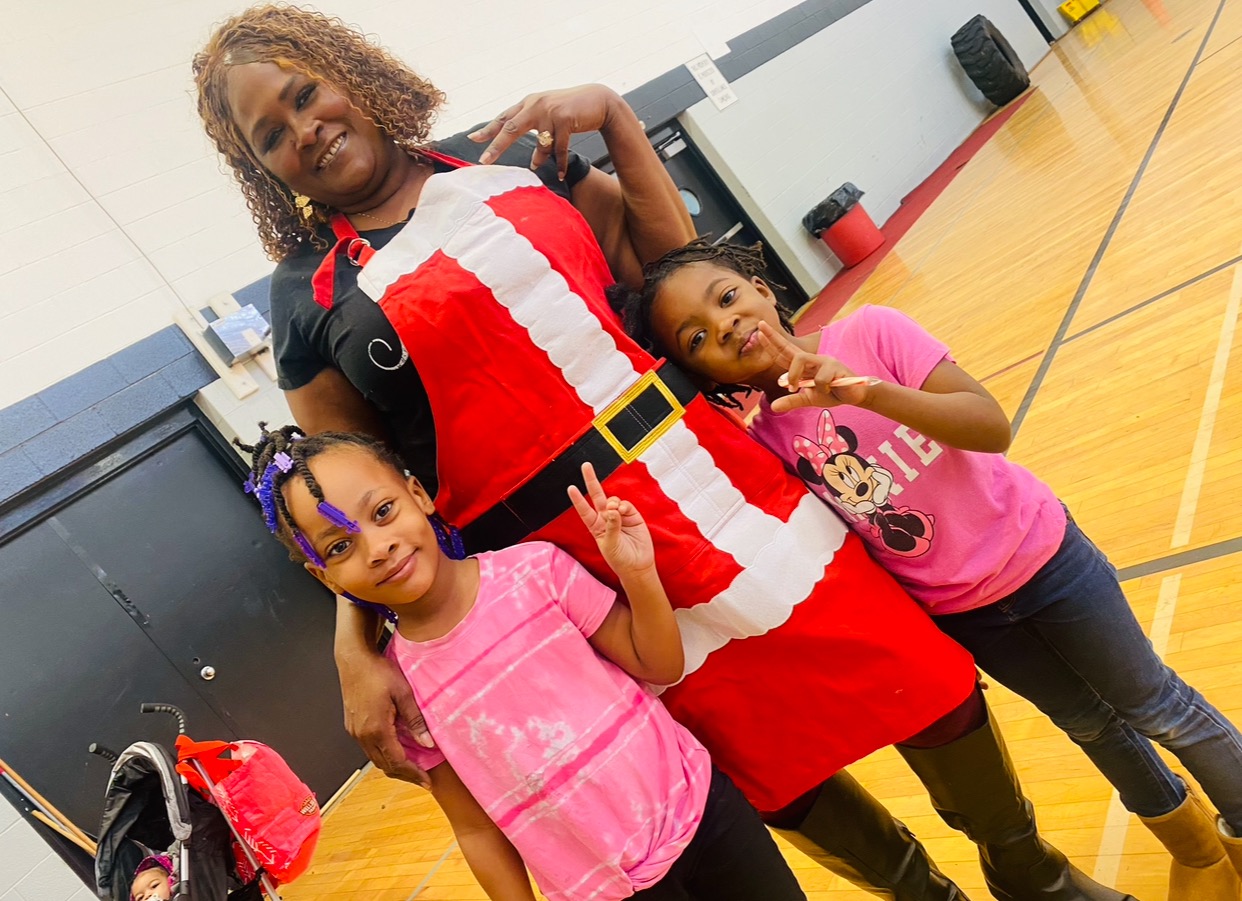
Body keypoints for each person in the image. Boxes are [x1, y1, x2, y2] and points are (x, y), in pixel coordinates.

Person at [194, 9, 1125, 899]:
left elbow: (673, 272)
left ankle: (1028, 870)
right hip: (589, 564)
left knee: (926, 678)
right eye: (271, 136)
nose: (304, 130)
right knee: (764, 763)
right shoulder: (307, 300)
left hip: (726, 480)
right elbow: (346, 490)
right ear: (263, 172)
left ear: (349, 74)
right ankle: (924, 895)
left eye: (305, 94)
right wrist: (355, 645)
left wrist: (617, 114)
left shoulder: (506, 159)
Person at [615, 237, 1242, 901]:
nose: (726, 324)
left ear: (762, 288)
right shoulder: (765, 440)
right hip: (967, 614)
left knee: (1158, 706)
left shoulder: (872, 334)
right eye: (697, 337)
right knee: (1089, 724)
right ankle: (1199, 852)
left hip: (1044, 559)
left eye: (727, 297)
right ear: (703, 373)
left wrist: (867, 394)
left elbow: (990, 426)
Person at [236, 425, 807, 901]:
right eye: (339, 546)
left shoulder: (536, 571)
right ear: (325, 578)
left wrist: (638, 574)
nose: (377, 546)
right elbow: (474, 829)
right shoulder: (401, 692)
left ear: (417, 493)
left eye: (383, 511)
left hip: (706, 816)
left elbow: (658, 665)